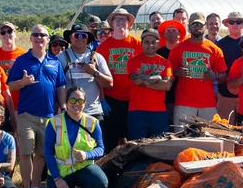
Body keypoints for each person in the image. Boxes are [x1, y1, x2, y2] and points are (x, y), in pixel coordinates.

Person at [7, 24, 67, 188]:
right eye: (36, 35)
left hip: (49, 114)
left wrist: (62, 107)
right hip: (27, 114)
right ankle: (26, 187)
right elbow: (10, 85)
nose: (39, 38)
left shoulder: (54, 61)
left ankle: (34, 187)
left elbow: (60, 87)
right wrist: (23, 82)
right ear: (31, 38)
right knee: (26, 153)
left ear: (47, 39)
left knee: (41, 153)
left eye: (43, 35)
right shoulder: (22, 60)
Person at [44, 86, 109, 188]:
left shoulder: (93, 123)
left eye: (80, 101)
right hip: (61, 172)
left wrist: (87, 155)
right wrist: (57, 179)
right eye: (73, 100)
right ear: (67, 102)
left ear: (85, 103)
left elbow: (101, 148)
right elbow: (48, 153)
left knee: (100, 182)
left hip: (82, 168)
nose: (76, 104)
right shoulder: (54, 122)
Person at [171, 12, 228, 129]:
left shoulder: (214, 49)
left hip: (207, 103)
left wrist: (215, 75)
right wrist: (177, 72)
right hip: (184, 102)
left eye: (200, 25)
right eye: (194, 24)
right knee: (180, 136)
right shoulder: (178, 48)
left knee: (209, 138)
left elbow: (224, 75)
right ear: (189, 26)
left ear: (205, 26)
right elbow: (167, 72)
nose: (197, 27)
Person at [95, 8, 142, 152]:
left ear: (129, 24)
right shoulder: (103, 47)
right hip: (111, 98)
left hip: (133, 99)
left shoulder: (138, 44)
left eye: (124, 19)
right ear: (112, 24)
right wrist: (102, 99)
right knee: (111, 139)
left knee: (131, 139)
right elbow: (97, 77)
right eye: (118, 19)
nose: (121, 22)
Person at [127, 28, 174, 139]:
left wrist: (145, 80)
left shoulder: (166, 63)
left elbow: (167, 86)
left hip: (159, 111)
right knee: (135, 147)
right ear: (141, 43)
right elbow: (136, 80)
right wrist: (158, 78)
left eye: (154, 42)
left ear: (158, 44)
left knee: (159, 147)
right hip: (137, 110)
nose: (150, 45)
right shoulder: (132, 61)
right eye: (147, 42)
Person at [59, 23, 113, 120]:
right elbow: (57, 87)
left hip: (94, 112)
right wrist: (62, 108)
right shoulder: (60, 58)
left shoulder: (97, 57)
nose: (80, 38)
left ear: (87, 39)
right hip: (71, 112)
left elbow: (109, 84)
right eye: (76, 35)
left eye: (83, 35)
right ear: (70, 38)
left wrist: (95, 73)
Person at [216, 12, 243, 123]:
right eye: (231, 22)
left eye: (238, 22)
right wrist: (232, 86)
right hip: (225, 94)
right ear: (227, 24)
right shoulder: (220, 45)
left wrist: (240, 86)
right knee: (224, 129)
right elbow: (218, 69)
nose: (235, 24)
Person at [0, 21, 26, 112]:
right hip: (0, 104)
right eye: (3, 32)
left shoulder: (23, 54)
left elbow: (28, 78)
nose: (6, 34)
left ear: (15, 34)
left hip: (20, 103)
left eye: (9, 31)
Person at [156, 19, 185, 125]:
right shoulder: (158, 53)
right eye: (168, 31)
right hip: (164, 98)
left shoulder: (185, 51)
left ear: (179, 34)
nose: (171, 33)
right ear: (164, 35)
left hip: (183, 97)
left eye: (174, 30)